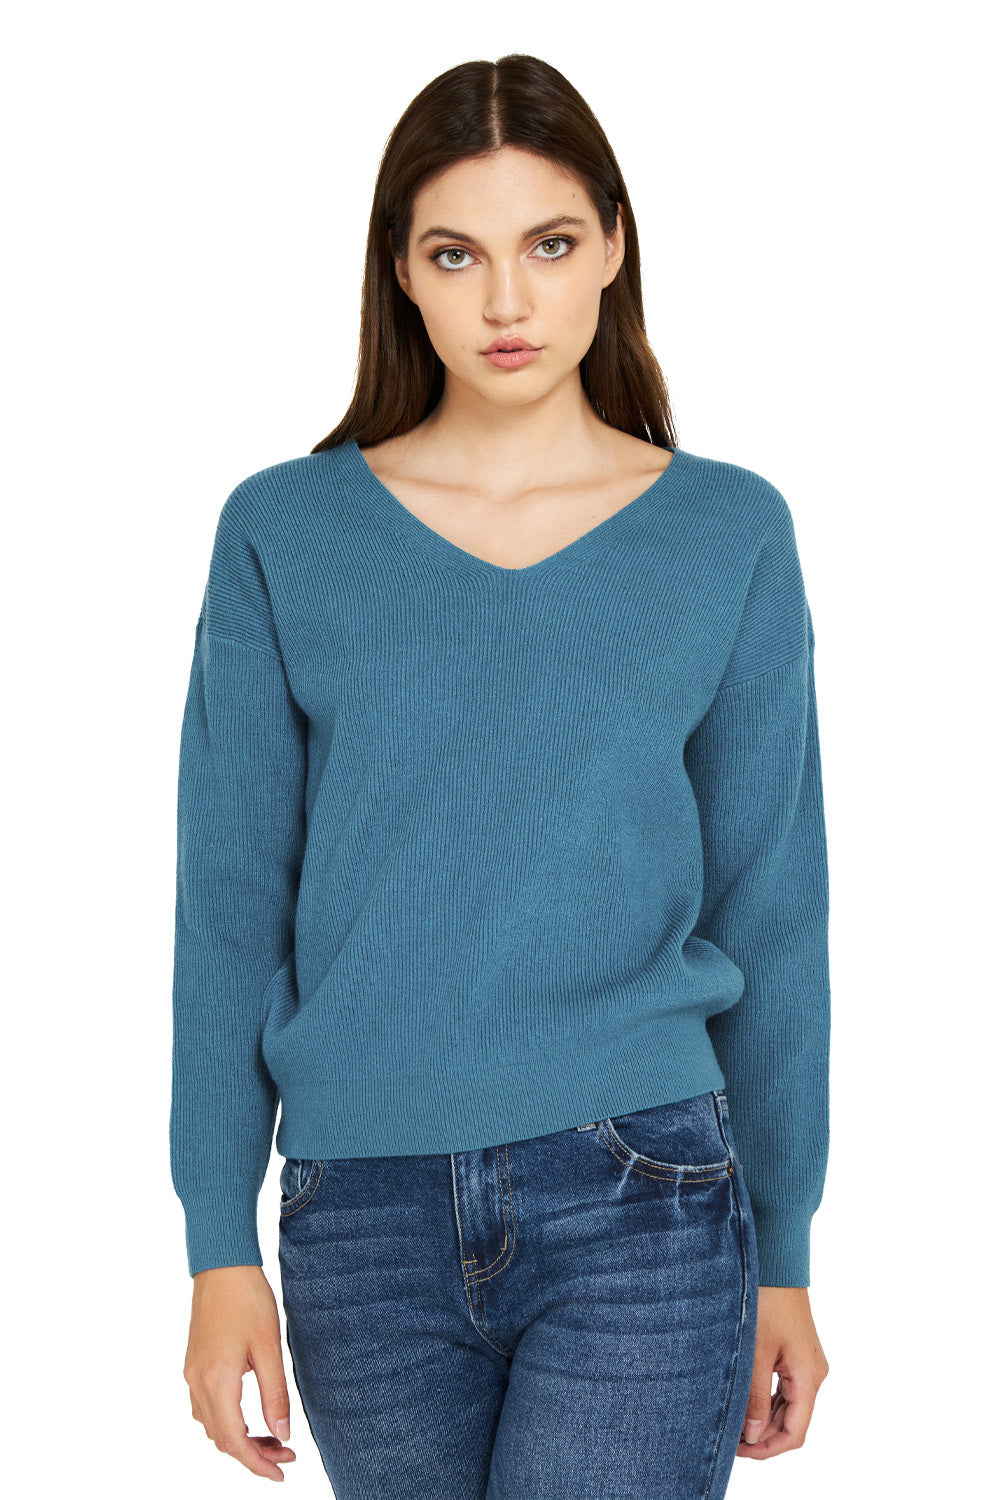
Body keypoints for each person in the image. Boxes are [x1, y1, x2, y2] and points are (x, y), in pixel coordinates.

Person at [171, 52, 831, 1500]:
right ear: (401, 273)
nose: (508, 302)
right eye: (456, 254)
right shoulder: (284, 533)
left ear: (614, 246)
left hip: (646, 1196)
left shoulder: (725, 534)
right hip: (362, 1217)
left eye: (550, 244)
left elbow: (773, 908)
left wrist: (784, 1252)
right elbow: (228, 910)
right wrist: (217, 1241)